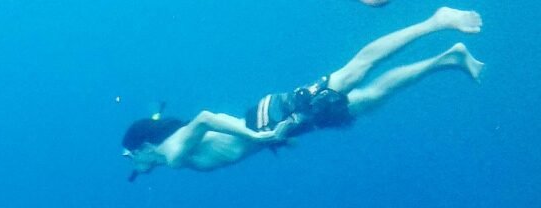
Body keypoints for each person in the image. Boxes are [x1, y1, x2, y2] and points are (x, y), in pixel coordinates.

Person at [122, 7, 483, 180]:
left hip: (269, 119)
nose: (134, 167)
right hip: (276, 126)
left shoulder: (173, 153)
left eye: (129, 157)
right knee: (367, 101)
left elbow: (204, 118)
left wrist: (256, 134)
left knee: (351, 73)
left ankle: (436, 21)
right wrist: (266, 140)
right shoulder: (174, 154)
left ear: (142, 147)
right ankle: (447, 58)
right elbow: (214, 132)